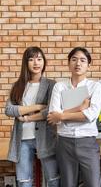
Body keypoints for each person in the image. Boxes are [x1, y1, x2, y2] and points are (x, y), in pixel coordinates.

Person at [47, 47, 101, 187]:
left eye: (83, 60)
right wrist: (79, 108)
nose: (78, 63)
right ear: (68, 63)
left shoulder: (95, 87)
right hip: (64, 142)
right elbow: (53, 114)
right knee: (68, 183)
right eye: (74, 59)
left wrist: (62, 115)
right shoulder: (59, 86)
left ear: (89, 65)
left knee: (94, 184)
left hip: (87, 142)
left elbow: (90, 115)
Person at [5, 46, 59, 187]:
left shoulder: (51, 85)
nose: (36, 63)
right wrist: (37, 107)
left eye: (39, 59)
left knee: (53, 179)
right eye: (31, 59)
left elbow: (51, 111)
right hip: (22, 139)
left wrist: (27, 117)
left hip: (46, 138)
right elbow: (9, 110)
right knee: (24, 181)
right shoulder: (18, 86)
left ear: (44, 62)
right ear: (26, 63)